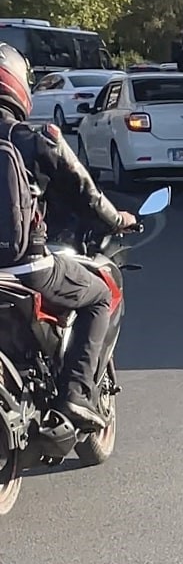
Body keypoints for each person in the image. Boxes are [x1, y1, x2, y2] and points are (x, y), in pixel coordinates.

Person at [0, 42, 137, 429]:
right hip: (25, 267)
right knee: (99, 294)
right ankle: (76, 394)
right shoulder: (36, 137)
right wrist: (119, 219)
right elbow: (87, 194)